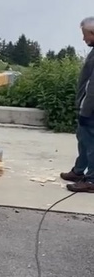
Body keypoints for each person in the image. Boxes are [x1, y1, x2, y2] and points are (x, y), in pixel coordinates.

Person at [60, 17, 94, 193]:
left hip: (91, 109)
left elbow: (93, 87)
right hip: (86, 106)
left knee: (92, 144)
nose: (83, 38)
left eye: (85, 34)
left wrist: (86, 111)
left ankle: (91, 180)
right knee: (83, 139)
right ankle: (79, 171)